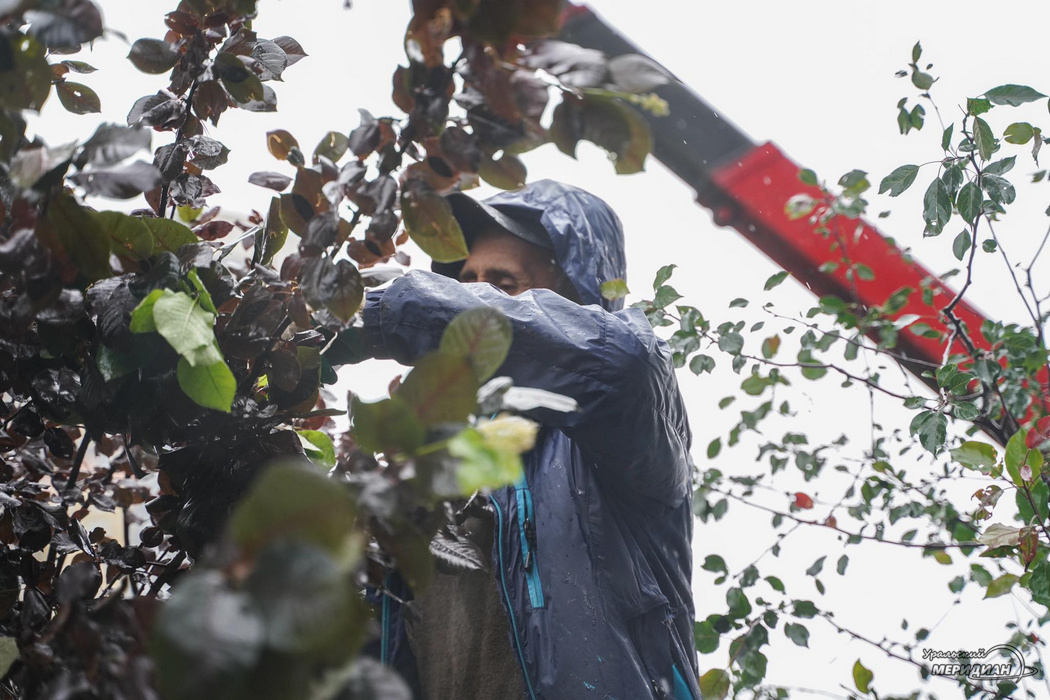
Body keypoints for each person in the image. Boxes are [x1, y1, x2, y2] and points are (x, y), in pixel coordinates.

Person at [360, 180, 700, 700]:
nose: (475, 301)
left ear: (573, 298)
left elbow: (619, 368)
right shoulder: (427, 471)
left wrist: (395, 311)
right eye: (464, 283)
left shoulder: (623, 426)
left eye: (503, 285)